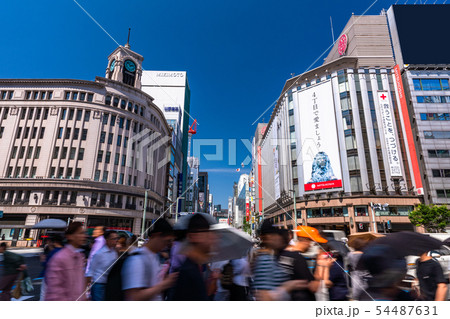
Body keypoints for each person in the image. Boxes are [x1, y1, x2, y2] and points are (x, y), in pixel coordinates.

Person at [251, 220, 309, 301]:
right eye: (277, 234)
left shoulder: (273, 257)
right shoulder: (265, 260)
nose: (280, 238)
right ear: (269, 237)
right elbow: (264, 297)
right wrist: (288, 287)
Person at [122, 219, 178, 301]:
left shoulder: (154, 257)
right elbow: (134, 297)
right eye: (167, 241)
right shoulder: (137, 259)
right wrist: (164, 284)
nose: (167, 245)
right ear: (157, 236)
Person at [170, 214, 216, 301]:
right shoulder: (188, 272)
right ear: (193, 236)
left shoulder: (196, 266)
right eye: (207, 232)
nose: (213, 238)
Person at [45, 222, 88, 301]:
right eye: (80, 233)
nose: (84, 236)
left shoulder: (80, 256)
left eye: (84, 233)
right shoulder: (59, 258)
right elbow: (55, 291)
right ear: (70, 236)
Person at [280, 226, 325, 301]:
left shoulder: (283, 254)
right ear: (305, 240)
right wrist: (320, 264)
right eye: (312, 242)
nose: (311, 246)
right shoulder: (298, 258)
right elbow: (313, 287)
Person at [86, 230, 119, 301]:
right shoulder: (99, 254)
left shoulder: (115, 252)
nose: (116, 240)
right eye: (114, 239)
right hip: (98, 285)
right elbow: (91, 271)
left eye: (117, 238)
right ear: (107, 240)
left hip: (109, 285)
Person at [39, 234, 64, 300]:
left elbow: (47, 264)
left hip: (49, 276)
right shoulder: (65, 251)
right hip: (61, 277)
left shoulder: (53, 252)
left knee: (44, 295)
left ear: (55, 242)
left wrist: (43, 260)